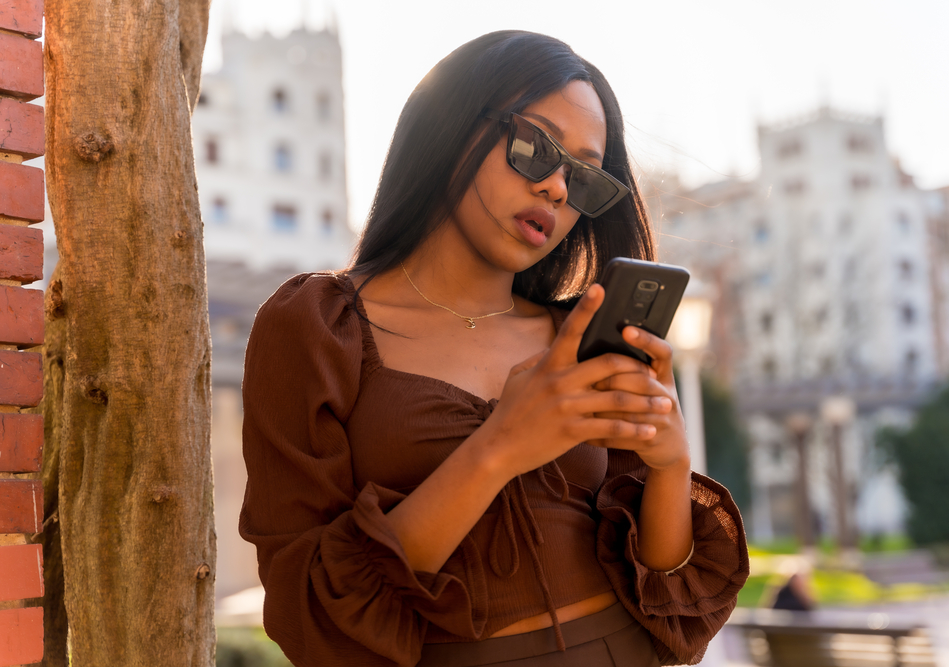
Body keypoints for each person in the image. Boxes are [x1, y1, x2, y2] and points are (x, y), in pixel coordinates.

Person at [240, 30, 749, 667]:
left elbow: (667, 601)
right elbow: (309, 607)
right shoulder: (319, 328)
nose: (559, 190)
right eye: (537, 148)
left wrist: (671, 466)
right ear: (453, 126)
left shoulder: (580, 338)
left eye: (585, 178)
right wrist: (502, 445)